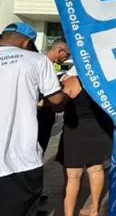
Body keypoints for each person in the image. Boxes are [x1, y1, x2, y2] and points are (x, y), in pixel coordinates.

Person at [0, 22, 67, 215]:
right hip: (21, 161)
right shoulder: (37, 60)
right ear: (26, 42)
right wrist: (65, 94)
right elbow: (57, 100)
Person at [57, 68, 114, 216]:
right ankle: (94, 208)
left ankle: (69, 213)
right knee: (95, 169)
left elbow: (59, 105)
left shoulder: (73, 81)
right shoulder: (103, 82)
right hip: (99, 129)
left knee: (73, 175)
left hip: (75, 130)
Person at [37, 38, 71, 154]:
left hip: (45, 114)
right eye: (67, 54)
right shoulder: (42, 64)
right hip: (39, 114)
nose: (68, 58)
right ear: (59, 49)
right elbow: (55, 99)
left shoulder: (47, 65)